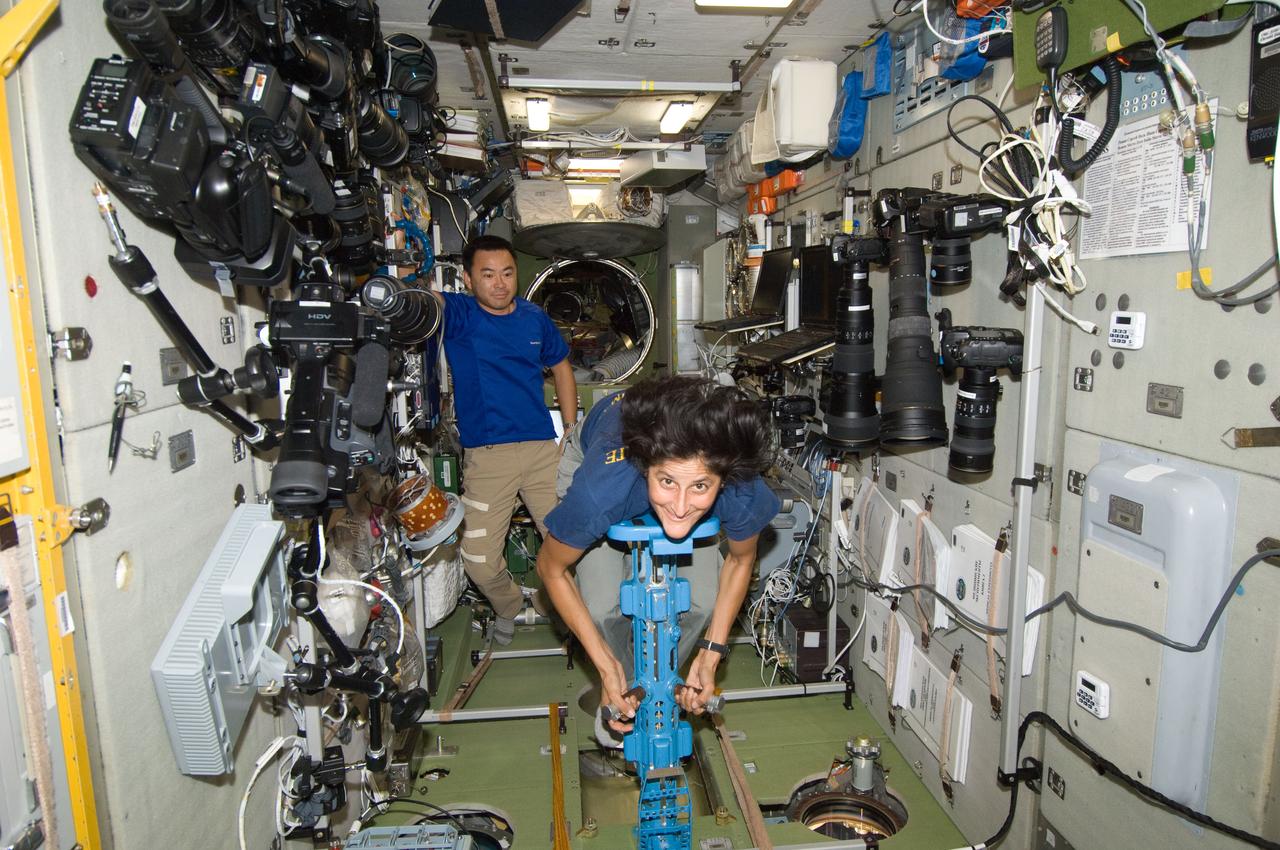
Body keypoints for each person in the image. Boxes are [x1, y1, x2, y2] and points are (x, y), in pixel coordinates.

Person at [536, 376, 779, 743]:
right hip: (597, 457)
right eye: (667, 482)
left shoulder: (740, 486)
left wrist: (711, 653)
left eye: (700, 486)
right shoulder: (600, 491)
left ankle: (659, 680)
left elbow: (741, 561)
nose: (680, 508)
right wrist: (605, 666)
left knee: (702, 603)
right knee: (602, 608)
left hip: (654, 474)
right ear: (646, 467)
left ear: (724, 480)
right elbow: (551, 568)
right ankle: (620, 686)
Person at [436, 234, 578, 644]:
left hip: (541, 452)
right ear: (468, 279)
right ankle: (509, 604)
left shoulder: (534, 318)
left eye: (507, 273)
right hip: (488, 458)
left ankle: (557, 606)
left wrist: (570, 430)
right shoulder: (461, 314)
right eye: (487, 275)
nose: (499, 284)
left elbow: (561, 366)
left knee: (569, 544)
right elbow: (429, 303)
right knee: (478, 560)